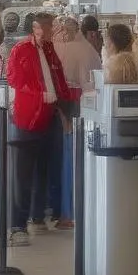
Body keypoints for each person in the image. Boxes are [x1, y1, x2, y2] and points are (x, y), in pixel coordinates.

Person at [6, 12, 72, 245]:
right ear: (36, 27)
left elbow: (60, 79)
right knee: (23, 173)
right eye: (48, 26)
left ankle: (37, 216)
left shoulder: (50, 50)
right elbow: (14, 79)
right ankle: (17, 225)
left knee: (45, 168)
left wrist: (66, 106)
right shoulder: (20, 49)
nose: (52, 29)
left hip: (50, 114)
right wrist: (40, 94)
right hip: (28, 117)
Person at [53, 17, 102, 229]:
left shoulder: (57, 49)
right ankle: (75, 209)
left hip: (65, 109)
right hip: (83, 110)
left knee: (67, 160)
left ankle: (66, 211)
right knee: (76, 159)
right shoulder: (88, 50)